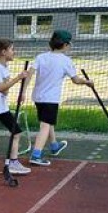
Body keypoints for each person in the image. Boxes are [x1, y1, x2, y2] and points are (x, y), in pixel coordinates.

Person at [28, 29, 92, 166]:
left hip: (38, 97)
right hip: (50, 99)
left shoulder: (41, 57)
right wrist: (87, 82)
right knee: (45, 125)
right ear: (65, 45)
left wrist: (23, 91)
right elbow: (75, 80)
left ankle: (54, 145)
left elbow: (30, 73)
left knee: (47, 122)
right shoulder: (66, 61)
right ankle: (36, 154)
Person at [0, 38, 33, 177]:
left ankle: (13, 163)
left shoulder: (3, 67)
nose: (14, 52)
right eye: (12, 49)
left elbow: (4, 90)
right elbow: (1, 88)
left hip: (1, 107)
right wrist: (18, 78)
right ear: (3, 52)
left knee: (16, 133)